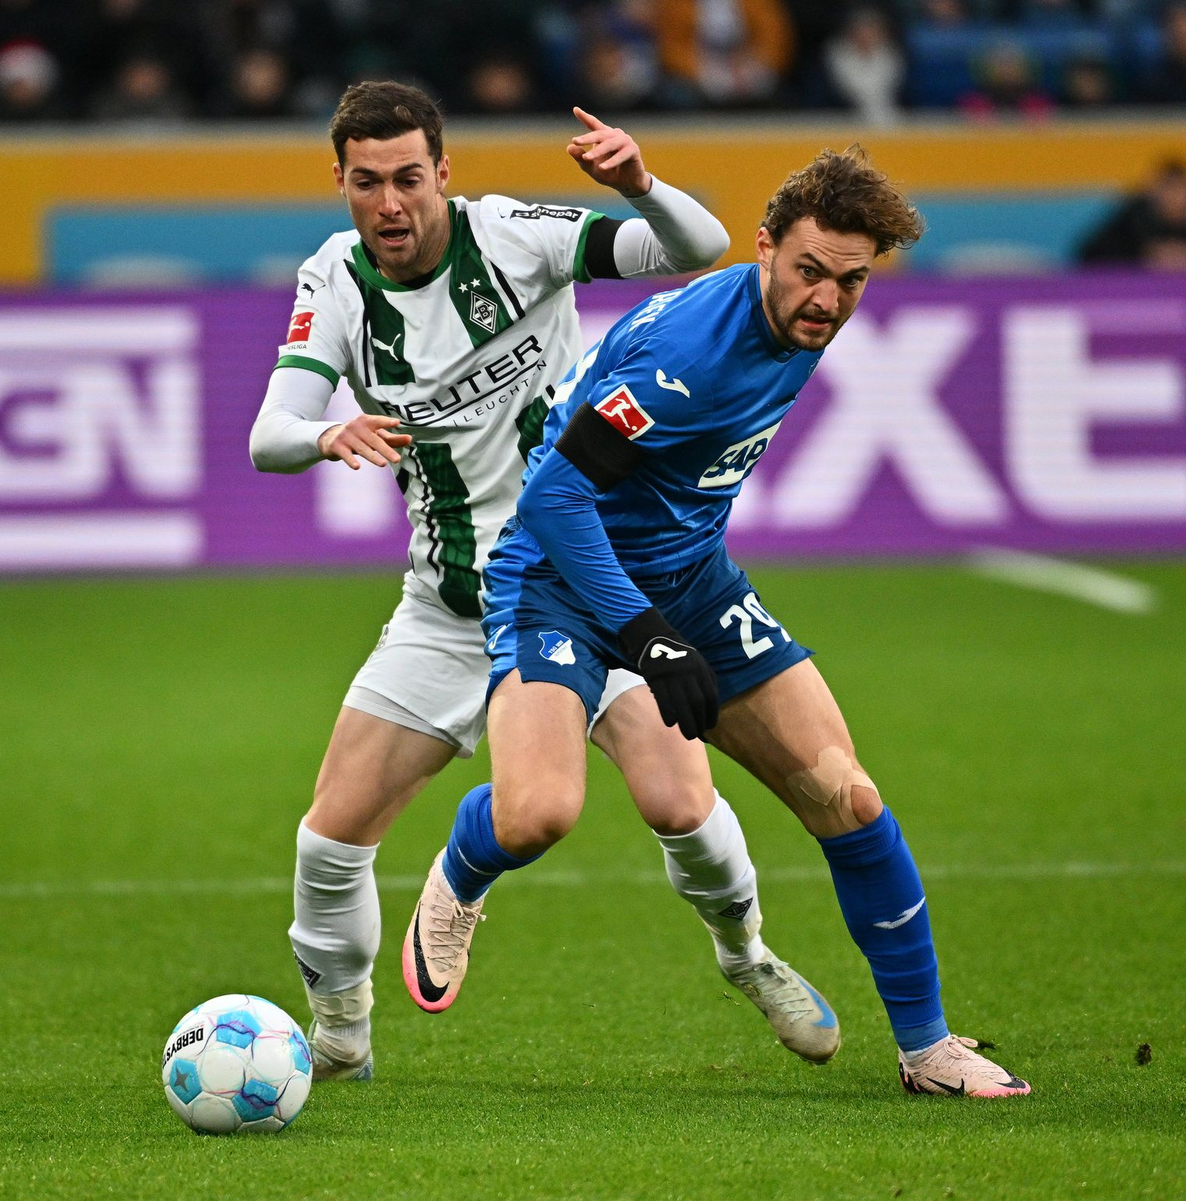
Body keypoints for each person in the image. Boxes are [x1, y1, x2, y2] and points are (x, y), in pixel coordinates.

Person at [405, 145, 1032, 1099]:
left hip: (693, 580)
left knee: (847, 796)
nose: (825, 300)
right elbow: (557, 497)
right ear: (766, 246)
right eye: (810, 271)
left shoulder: (797, 327)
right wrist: (646, 635)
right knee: (538, 812)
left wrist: (672, 612)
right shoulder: (693, 352)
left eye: (851, 281)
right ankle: (461, 867)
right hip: (558, 579)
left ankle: (929, 1049)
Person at [249, 80, 825, 1083]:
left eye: (410, 179)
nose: (391, 204)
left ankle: (749, 954)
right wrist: (322, 432)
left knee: (681, 801)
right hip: (448, 607)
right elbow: (268, 435)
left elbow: (695, 248)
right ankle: (340, 1036)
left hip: (581, 586)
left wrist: (641, 183)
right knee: (330, 836)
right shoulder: (334, 281)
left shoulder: (516, 237)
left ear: (445, 173)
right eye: (367, 182)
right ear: (339, 181)